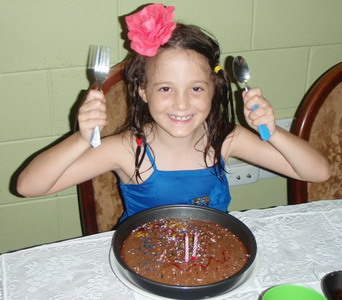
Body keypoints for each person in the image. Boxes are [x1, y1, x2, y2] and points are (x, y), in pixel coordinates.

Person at [16, 4, 330, 222]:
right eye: (166, 89)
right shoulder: (126, 149)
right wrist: (81, 139)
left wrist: (273, 133)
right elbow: (29, 187)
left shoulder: (225, 138)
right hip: (144, 264)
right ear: (143, 91)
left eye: (196, 88)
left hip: (213, 256)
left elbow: (317, 173)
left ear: (214, 89)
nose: (181, 104)